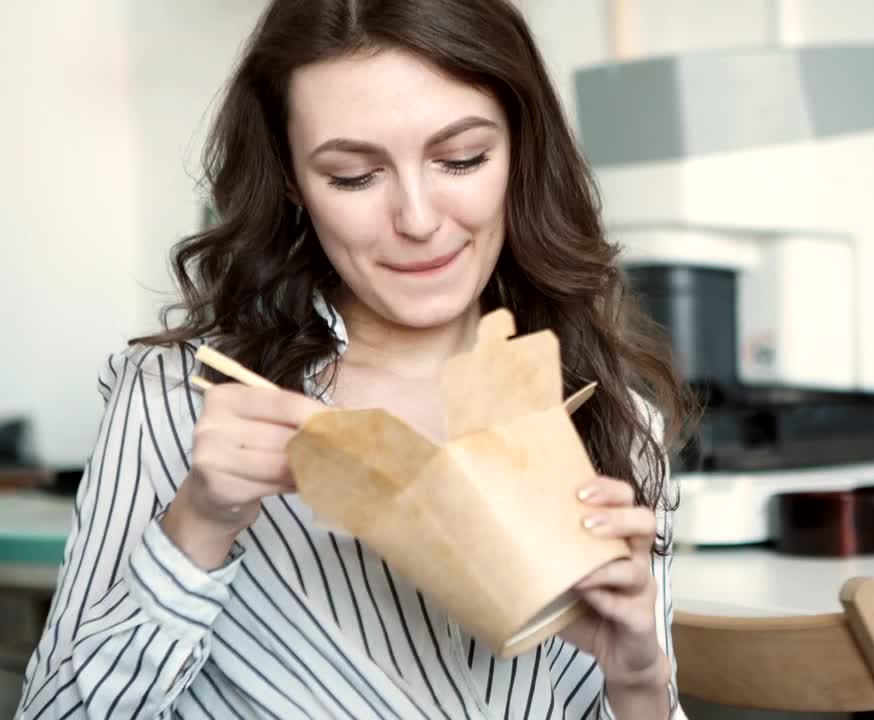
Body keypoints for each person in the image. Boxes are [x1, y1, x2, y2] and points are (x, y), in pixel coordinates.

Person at [17, 0, 696, 717]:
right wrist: (199, 523)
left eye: (462, 159)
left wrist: (638, 680)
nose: (418, 220)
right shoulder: (178, 402)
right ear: (291, 180)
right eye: (352, 176)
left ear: (520, 151)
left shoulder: (614, 421)